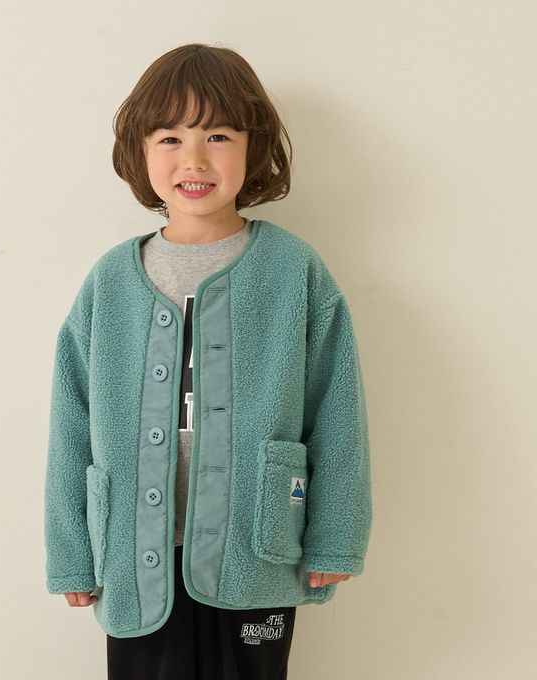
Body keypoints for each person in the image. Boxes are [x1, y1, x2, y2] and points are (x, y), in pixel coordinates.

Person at [44, 43, 373, 679]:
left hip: (257, 548)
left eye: (218, 136)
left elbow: (338, 411)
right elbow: (71, 422)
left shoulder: (293, 271)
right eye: (169, 137)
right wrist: (71, 554)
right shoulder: (110, 281)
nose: (193, 159)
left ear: (254, 149)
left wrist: (335, 536)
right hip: (134, 552)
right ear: (140, 151)